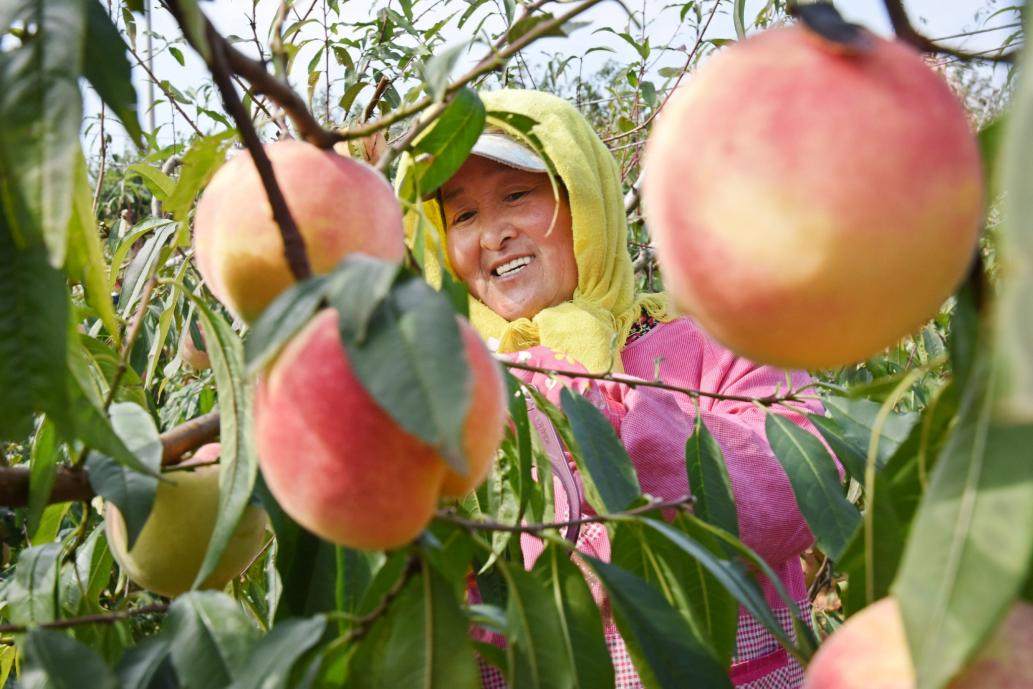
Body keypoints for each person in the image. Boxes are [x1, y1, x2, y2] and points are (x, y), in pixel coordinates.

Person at [401, 89, 827, 689]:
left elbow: (800, 496)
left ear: (584, 202)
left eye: (516, 195)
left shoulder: (712, 339)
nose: (492, 234)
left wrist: (603, 406)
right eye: (462, 215)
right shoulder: (447, 393)